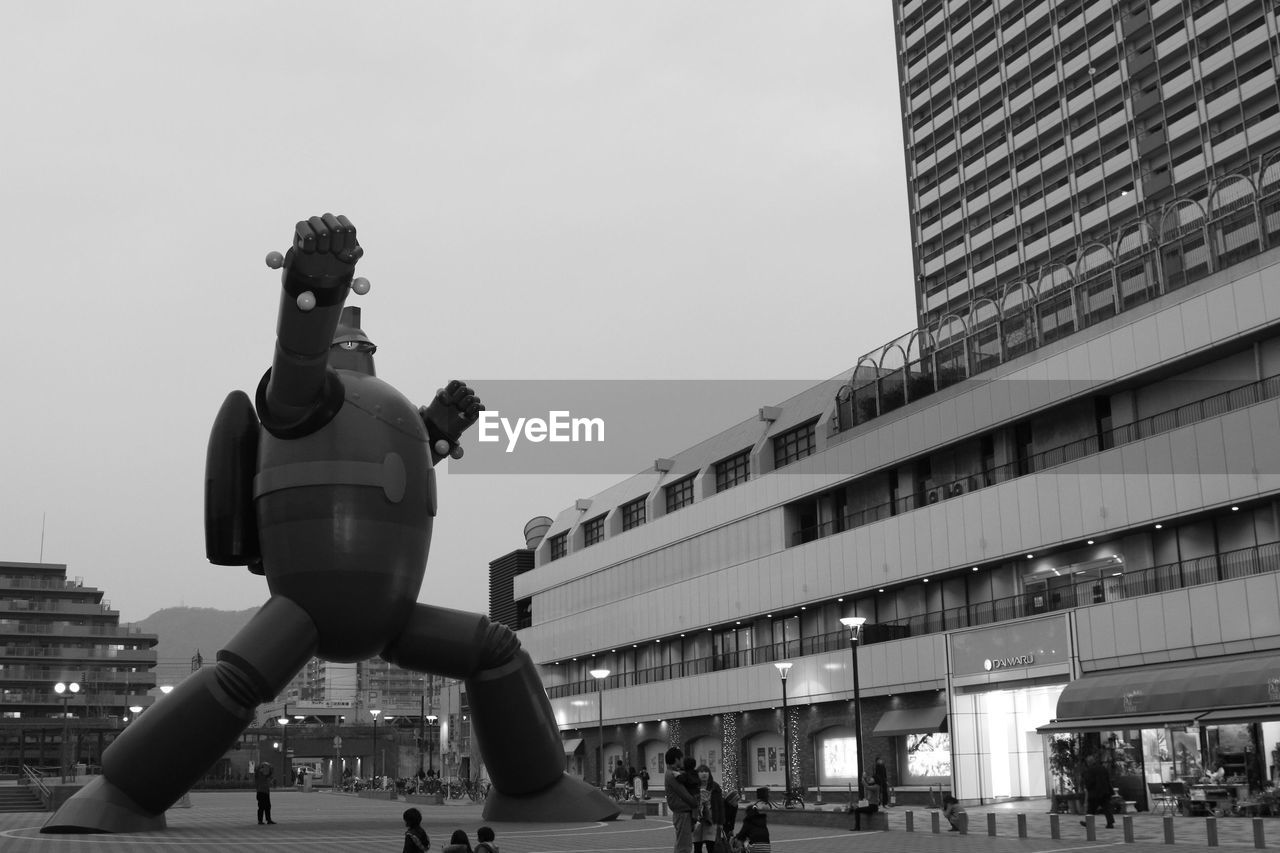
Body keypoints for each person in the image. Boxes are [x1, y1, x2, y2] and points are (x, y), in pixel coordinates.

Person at [665, 747, 699, 853]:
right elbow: (684, 794)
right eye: (681, 759)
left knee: (683, 843)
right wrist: (695, 803)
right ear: (676, 759)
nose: (682, 761)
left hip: (682, 812)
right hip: (682, 812)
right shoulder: (672, 775)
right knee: (684, 847)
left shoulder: (674, 773)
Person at [691, 764, 725, 853]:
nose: (704, 774)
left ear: (709, 773)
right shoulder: (693, 787)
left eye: (706, 771)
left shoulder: (715, 787)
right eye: (701, 772)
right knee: (697, 846)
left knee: (711, 846)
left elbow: (720, 805)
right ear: (697, 774)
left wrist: (720, 822)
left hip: (711, 820)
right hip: (697, 820)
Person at [1080, 752, 1115, 829]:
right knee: (1106, 807)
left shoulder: (1090, 770)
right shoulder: (1102, 768)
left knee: (1091, 808)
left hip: (1095, 792)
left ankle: (1088, 822)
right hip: (1105, 791)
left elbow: (1089, 782)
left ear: (1089, 763)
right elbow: (1107, 779)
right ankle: (1110, 822)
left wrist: (1088, 788)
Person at [734, 787, 772, 853]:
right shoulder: (762, 822)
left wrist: (736, 838)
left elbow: (742, 834)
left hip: (755, 848)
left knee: (743, 846)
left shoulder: (748, 821)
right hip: (767, 848)